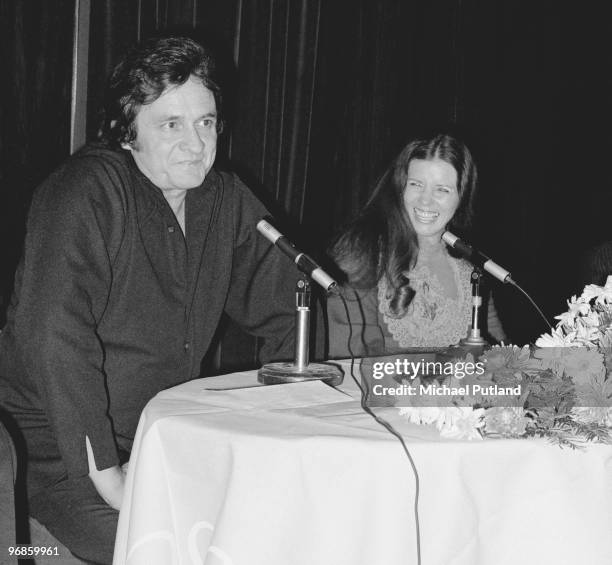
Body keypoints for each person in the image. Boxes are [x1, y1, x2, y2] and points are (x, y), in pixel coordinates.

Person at [0, 36, 298, 564]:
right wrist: (110, 478)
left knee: (273, 529)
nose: (194, 143)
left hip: (161, 447)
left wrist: (295, 417)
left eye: (205, 122)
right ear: (127, 131)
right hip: (51, 461)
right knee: (174, 550)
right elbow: (55, 338)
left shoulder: (223, 198)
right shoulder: (86, 191)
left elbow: (286, 306)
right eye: (171, 124)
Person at [327, 133, 505, 357]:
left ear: (462, 196)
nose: (425, 200)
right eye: (416, 184)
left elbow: (502, 358)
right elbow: (351, 363)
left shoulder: (471, 273)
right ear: (400, 187)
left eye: (442, 189)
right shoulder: (362, 253)